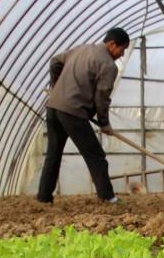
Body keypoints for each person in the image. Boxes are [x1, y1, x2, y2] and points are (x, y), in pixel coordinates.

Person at [37, 28, 130, 204]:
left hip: (53, 107)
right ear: (112, 44)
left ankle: (44, 197)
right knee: (96, 156)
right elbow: (102, 97)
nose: (122, 54)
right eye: (122, 49)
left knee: (53, 155)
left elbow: (55, 61)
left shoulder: (81, 49)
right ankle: (107, 196)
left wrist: (56, 87)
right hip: (73, 112)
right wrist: (104, 123)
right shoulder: (108, 66)